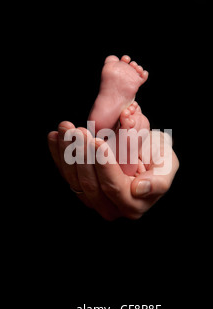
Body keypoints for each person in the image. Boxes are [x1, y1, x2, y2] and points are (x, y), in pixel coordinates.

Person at [47, 55, 179, 220]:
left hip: (75, 139)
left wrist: (162, 140)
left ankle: (119, 137)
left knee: (101, 154)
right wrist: (163, 138)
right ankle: (123, 146)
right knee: (124, 166)